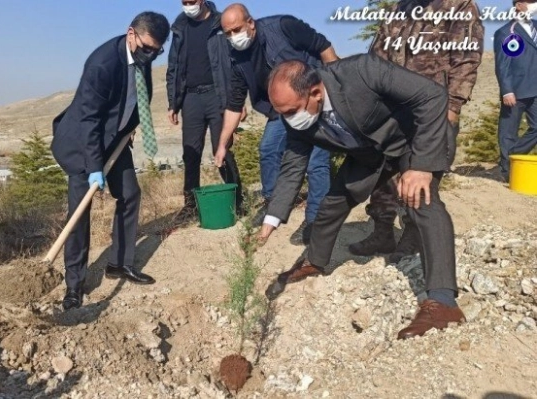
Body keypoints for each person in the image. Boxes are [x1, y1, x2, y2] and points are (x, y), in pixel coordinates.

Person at [259, 56, 466, 339]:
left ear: (316, 93)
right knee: (334, 202)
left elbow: (431, 96)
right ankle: (316, 262)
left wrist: (421, 166)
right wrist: (272, 217)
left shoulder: (363, 72)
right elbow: (294, 165)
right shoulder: (298, 121)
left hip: (412, 141)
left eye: (292, 110)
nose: (288, 120)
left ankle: (443, 302)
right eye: (282, 113)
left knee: (422, 202)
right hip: (370, 156)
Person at [51, 12, 170, 310]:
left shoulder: (143, 57)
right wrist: (94, 168)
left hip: (115, 140)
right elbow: (89, 120)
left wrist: (128, 127)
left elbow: (134, 97)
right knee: (80, 212)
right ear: (131, 34)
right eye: (147, 48)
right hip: (83, 143)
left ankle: (119, 263)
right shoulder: (102, 64)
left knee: (130, 194)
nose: (151, 55)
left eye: (157, 50)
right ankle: (74, 285)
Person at [350, 0, 484, 263]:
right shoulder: (399, 9)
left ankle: (413, 235)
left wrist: (452, 109)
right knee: (382, 170)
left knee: (421, 174)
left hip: (432, 111)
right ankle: (382, 231)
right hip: (392, 110)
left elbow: (466, 60)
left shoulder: (459, 5)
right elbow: (376, 58)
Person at [213, 3, 338, 245]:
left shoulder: (283, 27)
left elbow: (321, 44)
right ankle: (274, 204)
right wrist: (221, 145)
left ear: (251, 23)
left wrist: (336, 82)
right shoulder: (236, 58)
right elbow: (234, 104)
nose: (233, 37)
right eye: (227, 33)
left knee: (316, 162)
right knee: (269, 149)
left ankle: (316, 220)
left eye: (236, 29)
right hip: (281, 110)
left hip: (313, 100)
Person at [166, 0, 244, 222]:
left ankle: (237, 202)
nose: (188, 5)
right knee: (190, 153)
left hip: (217, 95)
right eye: (184, 2)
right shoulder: (180, 27)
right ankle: (191, 206)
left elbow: (234, 62)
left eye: (191, 1)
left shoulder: (220, 23)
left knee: (222, 148)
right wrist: (173, 102)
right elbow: (174, 66)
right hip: (190, 97)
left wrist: (237, 101)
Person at [495, 0, 537, 181]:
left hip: (535, 89)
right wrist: (507, 90)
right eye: (532, 2)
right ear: (519, 5)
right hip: (515, 91)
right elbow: (503, 65)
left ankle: (511, 155)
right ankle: (507, 172)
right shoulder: (506, 32)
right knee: (508, 132)